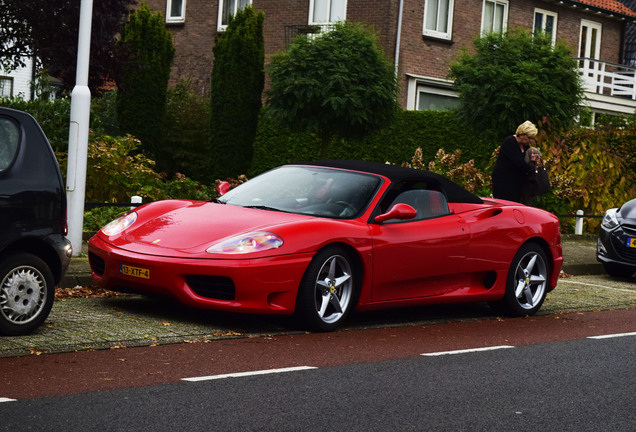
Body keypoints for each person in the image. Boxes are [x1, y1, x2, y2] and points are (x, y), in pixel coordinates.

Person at [492, 120, 541, 204]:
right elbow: (519, 162)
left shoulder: (525, 145)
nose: (530, 140)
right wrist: (534, 172)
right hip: (504, 183)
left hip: (517, 183)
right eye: (529, 138)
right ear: (522, 134)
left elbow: (525, 161)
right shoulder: (510, 142)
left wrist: (532, 160)